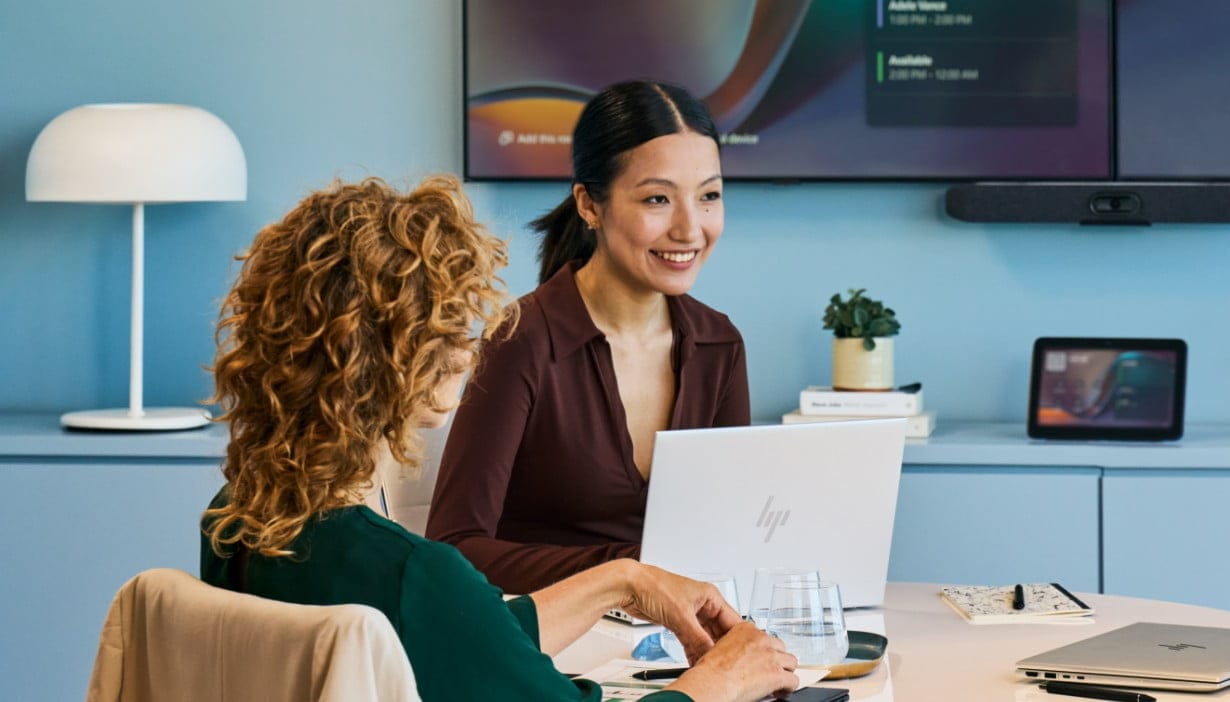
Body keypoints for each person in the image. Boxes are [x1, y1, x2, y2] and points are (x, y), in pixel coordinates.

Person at [201, 176, 795, 702]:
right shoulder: (420, 574)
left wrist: (623, 579)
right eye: (455, 327)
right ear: (402, 359)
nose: (470, 348)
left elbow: (460, 638)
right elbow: (449, 619)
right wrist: (718, 684)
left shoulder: (235, 524)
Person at [428, 80, 748, 594]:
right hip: (549, 642)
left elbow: (732, 529)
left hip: (673, 635)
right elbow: (454, 546)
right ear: (589, 205)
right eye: (658, 199)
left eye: (709, 196)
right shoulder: (521, 340)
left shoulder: (719, 344)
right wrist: (625, 575)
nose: (691, 229)